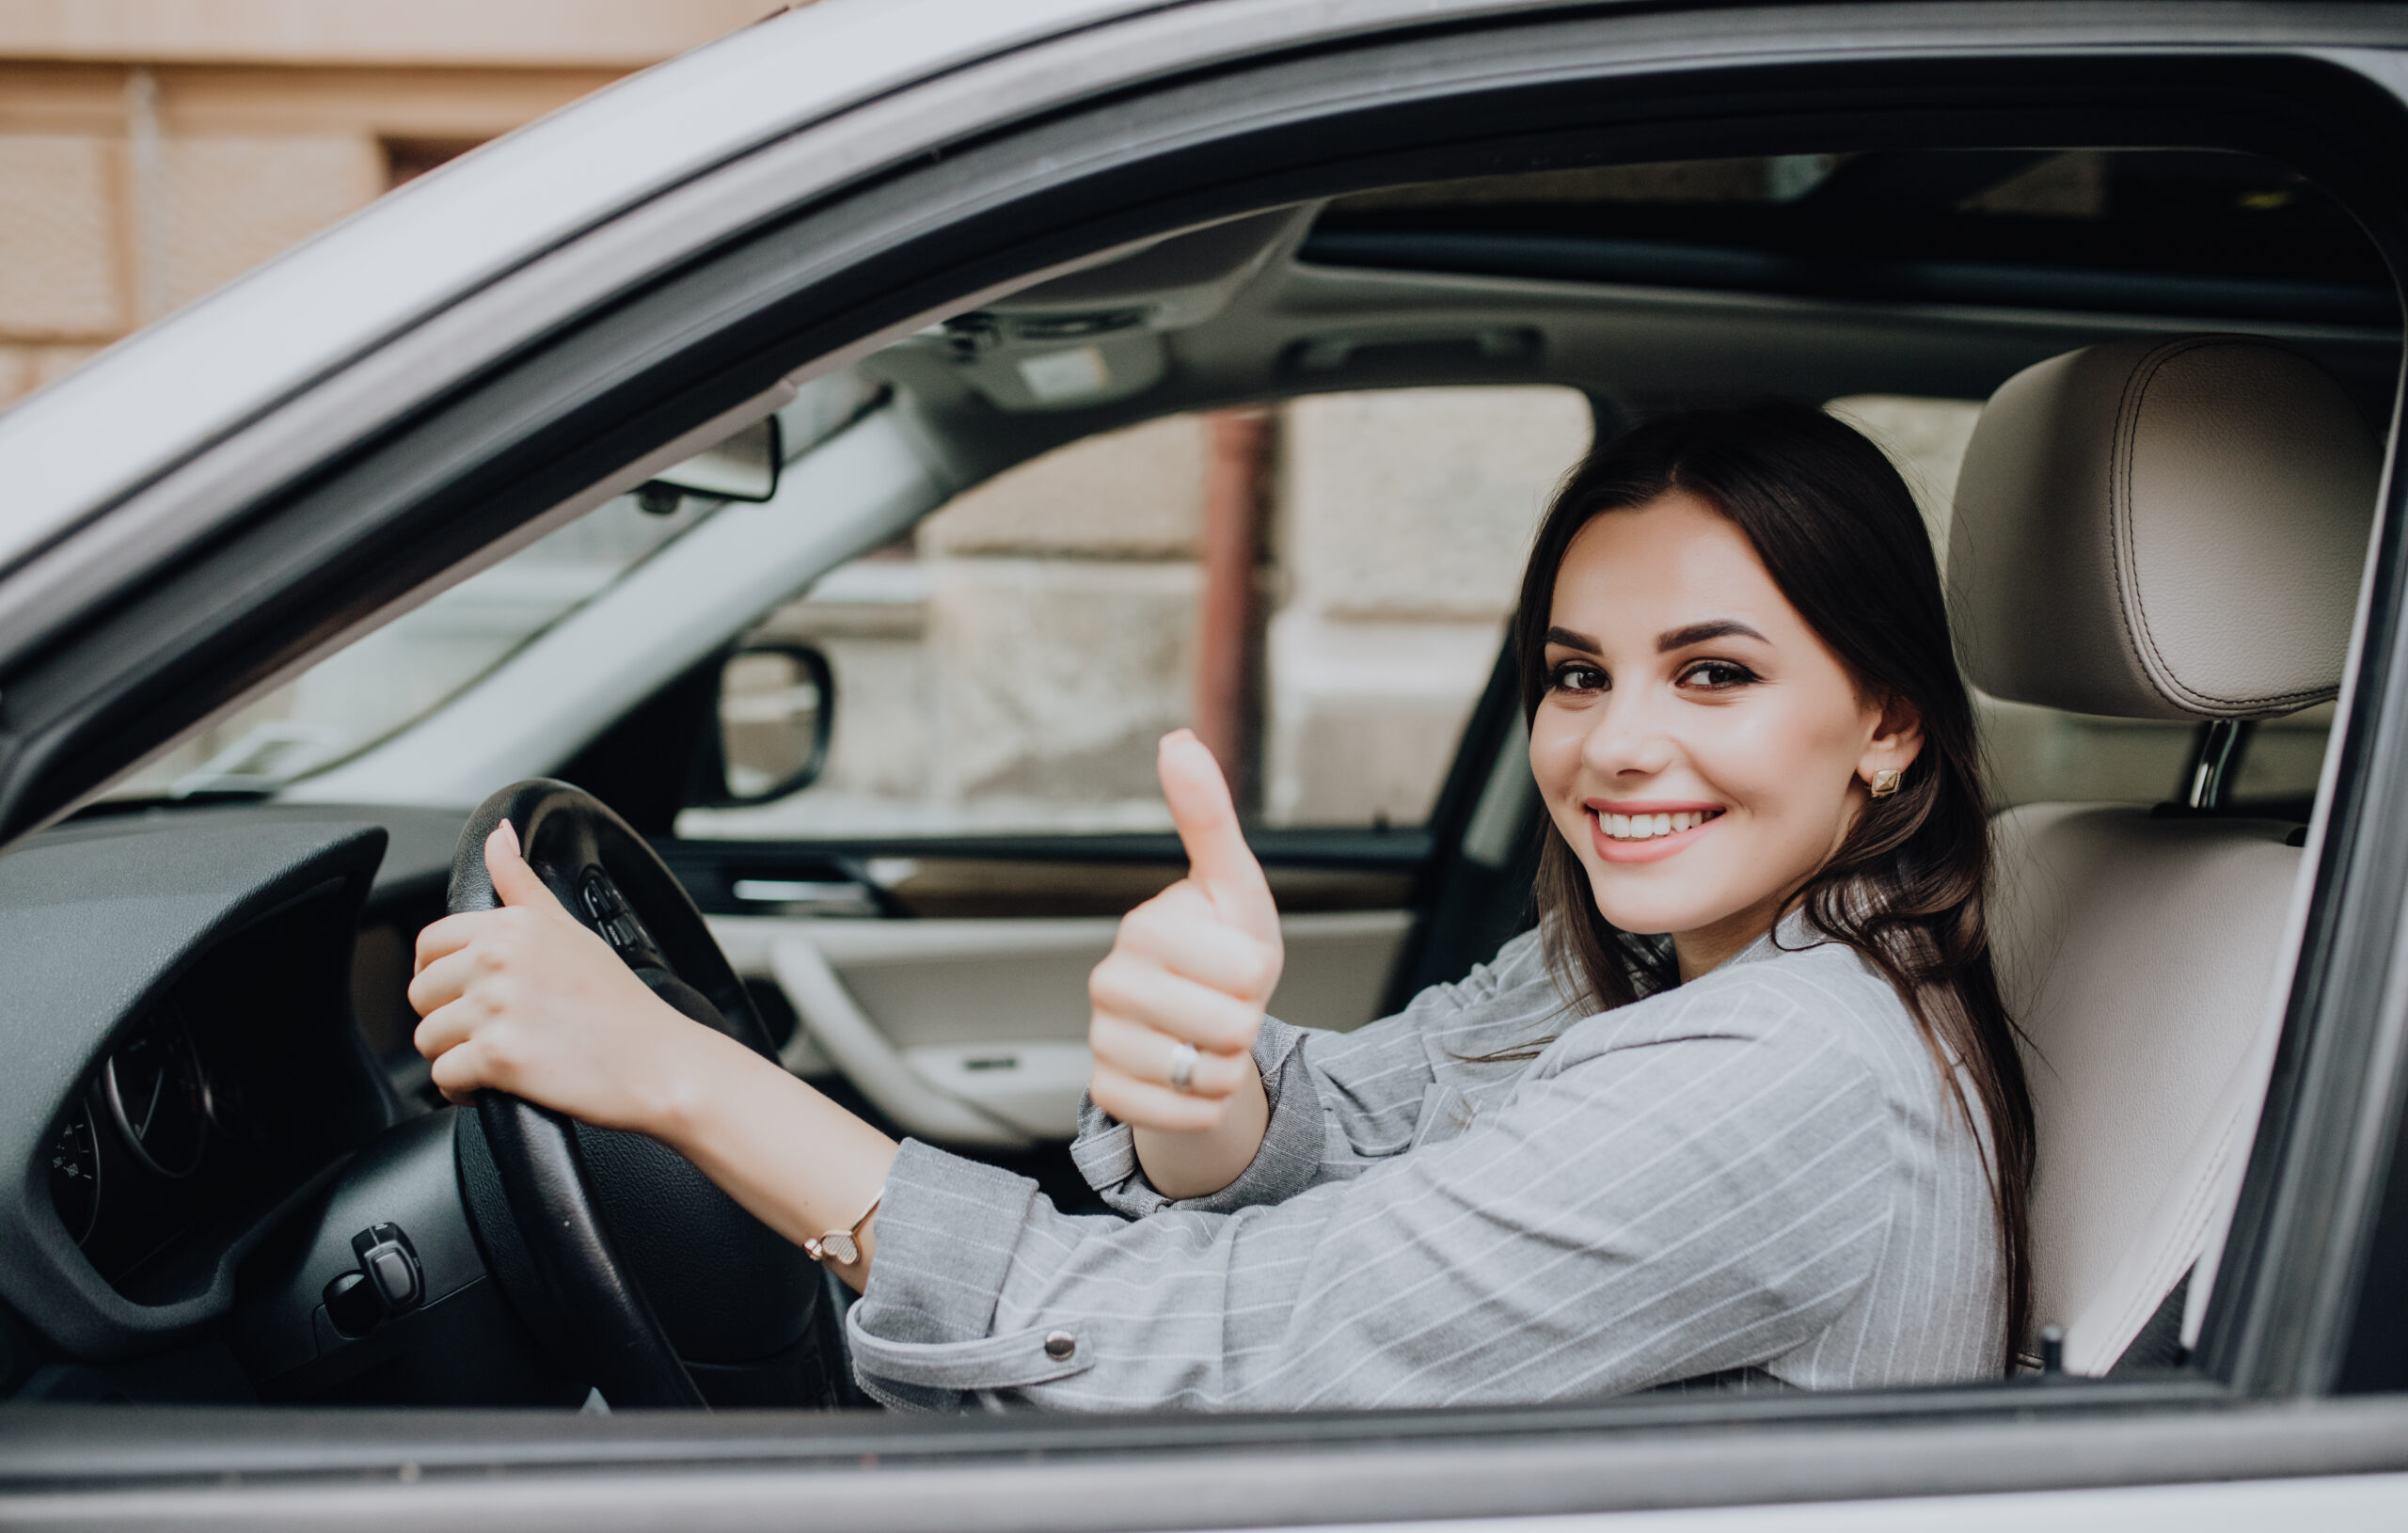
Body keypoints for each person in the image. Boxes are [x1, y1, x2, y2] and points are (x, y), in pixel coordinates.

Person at [408, 403, 2035, 1411]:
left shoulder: (1779, 1073)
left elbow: (1207, 1353)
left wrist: (684, 1081)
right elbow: (1357, 1119)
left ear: (1886, 721)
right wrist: (1213, 1095)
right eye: (1574, 675)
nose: (1617, 744)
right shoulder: (1649, 963)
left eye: (1714, 675)